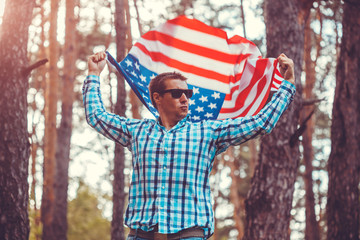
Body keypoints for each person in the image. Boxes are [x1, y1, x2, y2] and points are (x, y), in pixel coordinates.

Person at [83, 51, 296, 240]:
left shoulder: (207, 132)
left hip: (189, 235)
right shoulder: (137, 131)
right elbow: (96, 117)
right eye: (177, 93)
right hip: (141, 235)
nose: (185, 98)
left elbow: (261, 123)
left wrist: (287, 85)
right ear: (157, 98)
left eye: (188, 94)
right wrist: (94, 74)